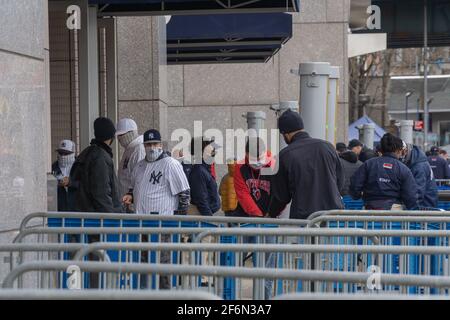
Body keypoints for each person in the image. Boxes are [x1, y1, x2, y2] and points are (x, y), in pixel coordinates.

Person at [122, 129, 190, 289]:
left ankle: (165, 295)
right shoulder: (139, 165)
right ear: (144, 146)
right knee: (142, 262)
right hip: (142, 224)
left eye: (155, 144)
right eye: (148, 144)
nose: (152, 147)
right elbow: (134, 187)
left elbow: (184, 194)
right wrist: (130, 195)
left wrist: (178, 222)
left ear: (161, 144)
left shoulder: (170, 164)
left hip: (163, 225)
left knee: (163, 264)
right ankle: (145, 294)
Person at [268, 110, 344, 219]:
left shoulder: (285, 155)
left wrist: (271, 213)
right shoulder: (328, 147)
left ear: (286, 134)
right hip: (333, 215)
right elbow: (339, 181)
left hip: (304, 218)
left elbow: (281, 196)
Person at [231, 137, 275, 300]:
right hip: (246, 217)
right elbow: (242, 194)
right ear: (247, 154)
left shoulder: (274, 164)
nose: (257, 161)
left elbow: (279, 193)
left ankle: (264, 298)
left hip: (270, 218)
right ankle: (232, 297)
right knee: (235, 257)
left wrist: (270, 214)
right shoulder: (240, 167)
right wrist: (258, 217)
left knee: (266, 264)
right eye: (253, 157)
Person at [350, 133, 418, 210]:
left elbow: (355, 185)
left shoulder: (368, 164)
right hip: (394, 212)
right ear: (398, 150)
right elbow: (411, 196)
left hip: (369, 209)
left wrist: (359, 195)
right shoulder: (403, 169)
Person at [70, 117, 122, 214]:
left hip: (86, 213)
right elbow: (101, 193)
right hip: (98, 218)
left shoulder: (87, 153)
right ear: (111, 136)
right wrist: (111, 218)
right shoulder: (100, 157)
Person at [188, 137, 221, 216]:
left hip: (206, 213)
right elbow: (201, 200)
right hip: (202, 216)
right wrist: (208, 218)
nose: (214, 152)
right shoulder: (199, 171)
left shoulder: (204, 169)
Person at [116, 118, 145, 202]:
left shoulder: (139, 149)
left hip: (132, 200)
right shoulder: (130, 148)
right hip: (126, 198)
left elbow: (139, 178)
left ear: (130, 133)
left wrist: (132, 196)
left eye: (121, 135)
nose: (119, 139)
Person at [401, 142, 438, 208]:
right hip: (427, 203)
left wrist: (410, 208)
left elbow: (418, 193)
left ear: (406, 151)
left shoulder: (419, 166)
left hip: (424, 206)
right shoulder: (418, 161)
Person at [52, 139, 77, 212]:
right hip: (59, 209)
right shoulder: (53, 167)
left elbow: (85, 184)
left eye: (66, 153)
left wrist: (70, 182)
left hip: (77, 209)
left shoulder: (79, 166)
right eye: (60, 153)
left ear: (72, 153)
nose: (63, 156)